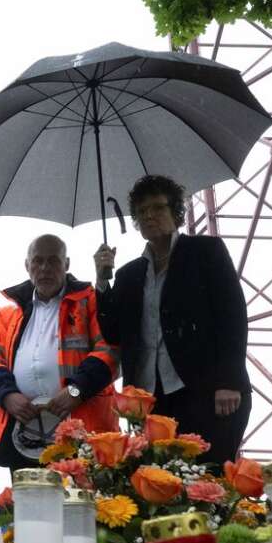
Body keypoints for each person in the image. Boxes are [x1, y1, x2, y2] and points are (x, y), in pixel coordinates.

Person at [94, 174, 251, 464]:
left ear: (176, 212)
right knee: (160, 485)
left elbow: (233, 316)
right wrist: (103, 283)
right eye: (142, 212)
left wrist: (229, 380)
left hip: (206, 390)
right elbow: (113, 332)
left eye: (157, 208)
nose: (149, 216)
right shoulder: (129, 275)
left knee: (209, 477)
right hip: (149, 399)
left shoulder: (206, 253)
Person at [0, 234, 119, 470]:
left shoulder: (91, 302)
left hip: (85, 435)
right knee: (27, 504)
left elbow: (110, 350)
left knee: (85, 504)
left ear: (67, 264)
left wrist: (76, 390)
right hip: (23, 436)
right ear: (27, 266)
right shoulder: (9, 313)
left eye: (53, 261)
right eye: (38, 261)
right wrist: (7, 395)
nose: (44, 268)